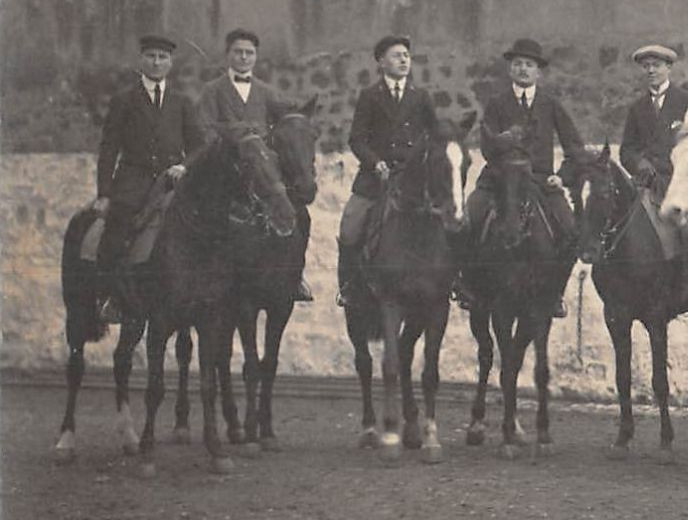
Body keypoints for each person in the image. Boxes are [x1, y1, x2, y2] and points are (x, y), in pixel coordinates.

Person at [457, 38, 584, 315]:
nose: (523, 69)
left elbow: (575, 148)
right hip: (499, 180)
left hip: (540, 181)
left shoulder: (551, 104)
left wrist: (561, 177)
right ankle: (468, 286)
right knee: (467, 220)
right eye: (518, 64)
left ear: (538, 71)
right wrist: (506, 140)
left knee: (572, 231)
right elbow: (488, 146)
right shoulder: (496, 103)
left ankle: (554, 294)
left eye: (529, 65)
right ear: (509, 70)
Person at [93, 34, 206, 322]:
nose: (157, 62)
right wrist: (104, 193)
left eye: (162, 57)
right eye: (151, 56)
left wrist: (184, 166)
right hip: (133, 180)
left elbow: (198, 146)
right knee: (117, 227)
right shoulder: (124, 100)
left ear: (171, 63)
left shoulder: (182, 102)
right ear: (141, 60)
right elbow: (109, 148)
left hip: (172, 180)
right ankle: (111, 297)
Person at [196, 28, 313, 302]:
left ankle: (294, 276)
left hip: (261, 171)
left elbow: (289, 113)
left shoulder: (266, 91)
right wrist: (234, 136)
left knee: (300, 214)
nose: (244, 57)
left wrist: (304, 111)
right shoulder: (212, 91)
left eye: (249, 53)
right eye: (238, 52)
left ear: (256, 57)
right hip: (226, 169)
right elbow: (205, 130)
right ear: (227, 55)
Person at [336, 35, 438, 308]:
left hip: (413, 180)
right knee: (350, 227)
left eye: (406, 55)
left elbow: (435, 135)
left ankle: (452, 281)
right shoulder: (369, 96)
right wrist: (375, 162)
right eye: (396, 55)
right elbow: (356, 139)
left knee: (448, 221)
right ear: (381, 62)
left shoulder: (421, 97)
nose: (403, 60)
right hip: (375, 179)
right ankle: (347, 286)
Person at [619, 44, 688, 200]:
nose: (651, 71)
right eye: (646, 66)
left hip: (682, 186)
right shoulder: (636, 108)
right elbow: (627, 150)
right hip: (647, 185)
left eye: (656, 66)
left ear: (669, 67)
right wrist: (640, 164)